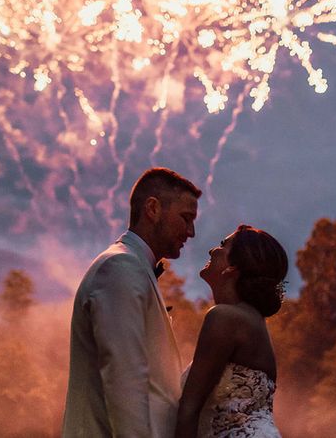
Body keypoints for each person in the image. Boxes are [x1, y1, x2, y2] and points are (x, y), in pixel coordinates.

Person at [62, 167, 201, 438]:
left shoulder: (134, 266)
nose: (191, 231)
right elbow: (124, 378)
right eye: (186, 218)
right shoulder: (120, 265)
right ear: (153, 209)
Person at [176, 225, 288, 438]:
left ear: (232, 268)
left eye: (222, 245)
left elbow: (188, 410)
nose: (212, 251)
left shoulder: (225, 317)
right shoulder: (251, 320)